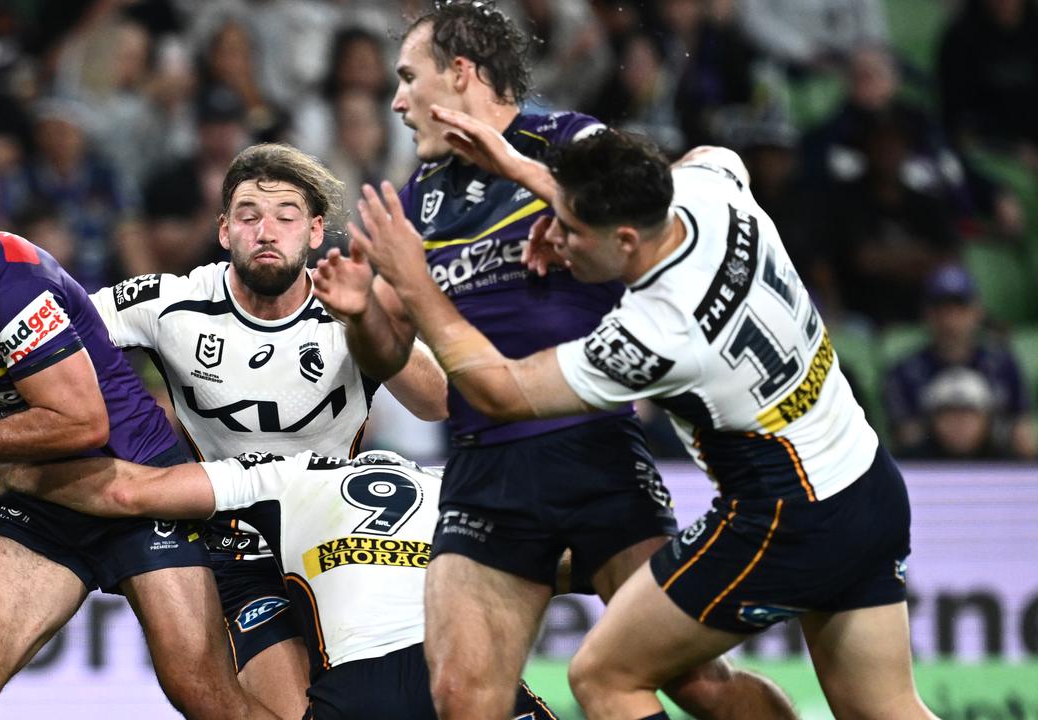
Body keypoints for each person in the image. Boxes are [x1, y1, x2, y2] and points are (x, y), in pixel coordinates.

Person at [341, 102, 935, 720]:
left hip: (790, 520)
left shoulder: (655, 333)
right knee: (886, 710)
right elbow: (705, 159)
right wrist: (528, 172)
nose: (554, 238)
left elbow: (500, 392)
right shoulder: (712, 191)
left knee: (604, 677)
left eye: (570, 230)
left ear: (624, 240)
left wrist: (415, 281)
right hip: (868, 484)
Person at [310, 3, 796, 719]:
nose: (397, 101)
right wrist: (359, 314)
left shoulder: (573, 143)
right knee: (462, 698)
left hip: (592, 450)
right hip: (484, 470)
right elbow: (392, 356)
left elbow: (660, 232)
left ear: (461, 73)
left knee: (697, 683)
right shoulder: (419, 198)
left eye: (410, 78)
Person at [0, 166, 273, 720]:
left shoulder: (11, 282)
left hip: (133, 485)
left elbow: (83, 424)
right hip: (39, 495)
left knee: (203, 695)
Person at [85, 143, 447, 718]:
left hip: (343, 542)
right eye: (249, 216)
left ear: (315, 231)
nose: (266, 231)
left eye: (286, 216)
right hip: (236, 546)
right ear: (224, 230)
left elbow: (438, 402)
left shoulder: (349, 305)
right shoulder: (172, 304)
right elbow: (51, 328)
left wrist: (368, 322)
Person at [0, 448, 557, 720]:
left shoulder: (290, 472)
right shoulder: (458, 485)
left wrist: (19, 471)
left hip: (358, 694)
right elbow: (562, 561)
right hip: (461, 670)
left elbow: (128, 492)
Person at [884, 264, 1036, 459]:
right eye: (942, 309)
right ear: (927, 313)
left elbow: (1023, 436)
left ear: (977, 311)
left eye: (960, 308)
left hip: (994, 462)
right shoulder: (906, 371)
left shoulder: (1002, 365)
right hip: (930, 466)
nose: (950, 320)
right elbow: (906, 437)